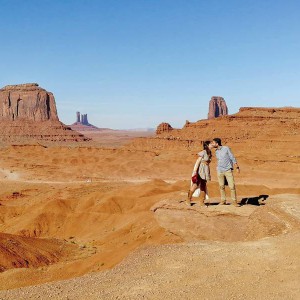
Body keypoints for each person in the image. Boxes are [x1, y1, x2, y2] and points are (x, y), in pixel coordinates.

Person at [210, 138, 240, 206]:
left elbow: (232, 157)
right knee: (221, 186)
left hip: (227, 170)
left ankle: (234, 201)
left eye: (213, 143)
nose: (212, 144)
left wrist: (237, 166)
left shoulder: (226, 148)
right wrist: (211, 147)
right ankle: (223, 201)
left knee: (232, 186)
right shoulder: (216, 151)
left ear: (217, 143)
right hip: (220, 170)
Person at [186, 141, 212, 206]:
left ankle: (201, 202)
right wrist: (195, 171)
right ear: (207, 145)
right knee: (195, 184)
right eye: (211, 144)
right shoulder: (203, 152)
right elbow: (198, 161)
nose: (212, 145)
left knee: (203, 185)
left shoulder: (209, 153)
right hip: (201, 170)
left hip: (205, 170)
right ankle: (188, 199)